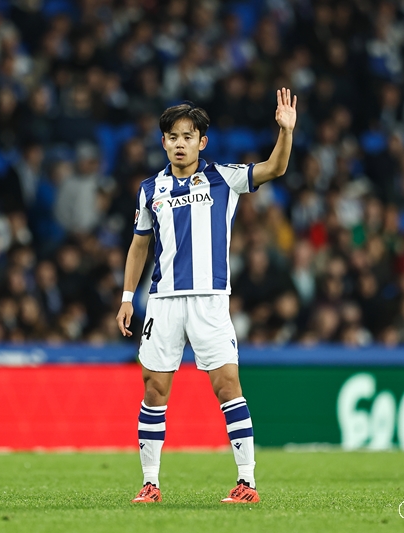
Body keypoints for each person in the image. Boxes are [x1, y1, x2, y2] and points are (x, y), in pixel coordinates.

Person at [115, 89, 297, 504]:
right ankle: (150, 483)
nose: (180, 143)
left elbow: (275, 168)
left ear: (202, 142)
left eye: (187, 136)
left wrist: (284, 132)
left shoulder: (224, 177)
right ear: (163, 142)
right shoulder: (150, 189)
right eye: (173, 137)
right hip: (163, 301)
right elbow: (139, 245)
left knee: (227, 384)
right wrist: (128, 296)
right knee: (154, 390)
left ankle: (247, 482)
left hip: (211, 298)